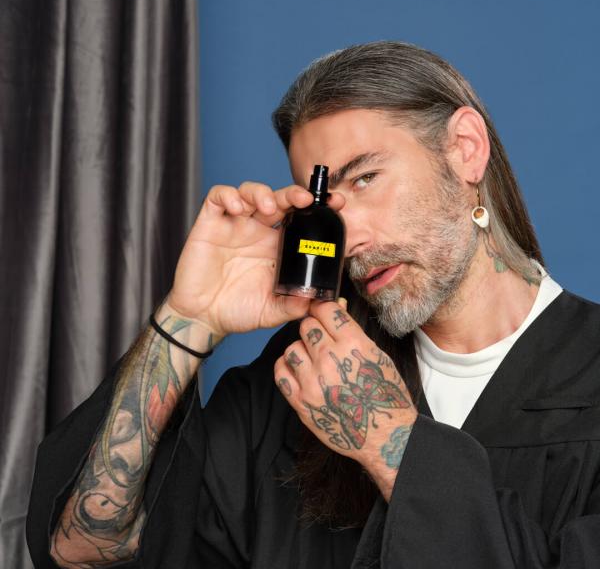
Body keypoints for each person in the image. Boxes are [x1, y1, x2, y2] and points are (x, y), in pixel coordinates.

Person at [27, 41, 600, 569]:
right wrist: (189, 318)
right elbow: (81, 549)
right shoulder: (301, 377)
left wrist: (393, 446)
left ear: (465, 150)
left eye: (367, 178)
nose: (346, 241)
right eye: (328, 208)